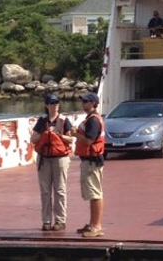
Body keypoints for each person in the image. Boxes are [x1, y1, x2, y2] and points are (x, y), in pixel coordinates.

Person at [30, 94, 73, 232]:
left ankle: (60, 220)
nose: (55, 105)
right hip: (44, 158)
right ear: (47, 105)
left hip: (60, 158)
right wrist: (44, 134)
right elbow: (33, 138)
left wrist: (58, 135)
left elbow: (71, 139)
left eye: (56, 103)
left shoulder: (64, 120)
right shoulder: (42, 121)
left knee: (60, 190)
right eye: (52, 103)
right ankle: (46, 221)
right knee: (45, 191)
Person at [71, 92, 105, 238]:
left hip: (92, 161)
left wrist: (74, 134)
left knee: (95, 193)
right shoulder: (91, 119)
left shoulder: (93, 120)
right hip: (89, 160)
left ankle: (96, 226)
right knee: (92, 193)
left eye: (85, 101)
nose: (82, 103)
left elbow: (89, 140)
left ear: (92, 103)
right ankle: (92, 224)